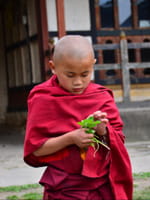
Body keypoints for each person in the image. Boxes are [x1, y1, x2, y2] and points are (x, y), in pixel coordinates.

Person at [24, 35, 133, 200]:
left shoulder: (101, 96)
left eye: (84, 74)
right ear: (53, 67)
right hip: (64, 187)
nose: (78, 82)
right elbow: (35, 150)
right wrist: (71, 138)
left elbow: (118, 140)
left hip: (102, 184)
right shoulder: (43, 97)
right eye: (70, 75)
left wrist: (103, 131)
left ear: (93, 65)